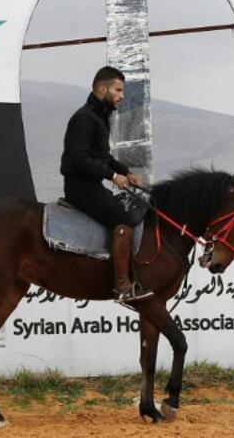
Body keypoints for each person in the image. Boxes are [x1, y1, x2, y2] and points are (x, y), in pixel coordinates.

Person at [60, 66, 153, 304]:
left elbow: (101, 156)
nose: (122, 95)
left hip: (92, 185)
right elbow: (78, 159)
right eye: (118, 90)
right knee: (123, 222)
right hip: (80, 188)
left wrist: (126, 172)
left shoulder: (99, 117)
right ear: (102, 89)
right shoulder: (84, 119)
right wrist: (113, 177)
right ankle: (122, 286)